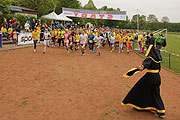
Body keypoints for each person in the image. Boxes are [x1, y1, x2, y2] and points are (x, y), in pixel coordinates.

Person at [122, 44, 165, 118]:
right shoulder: (158, 59)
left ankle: (160, 111)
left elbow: (143, 66)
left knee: (140, 90)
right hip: (157, 77)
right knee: (153, 92)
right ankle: (143, 106)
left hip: (150, 78)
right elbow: (159, 69)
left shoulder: (150, 58)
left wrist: (140, 67)